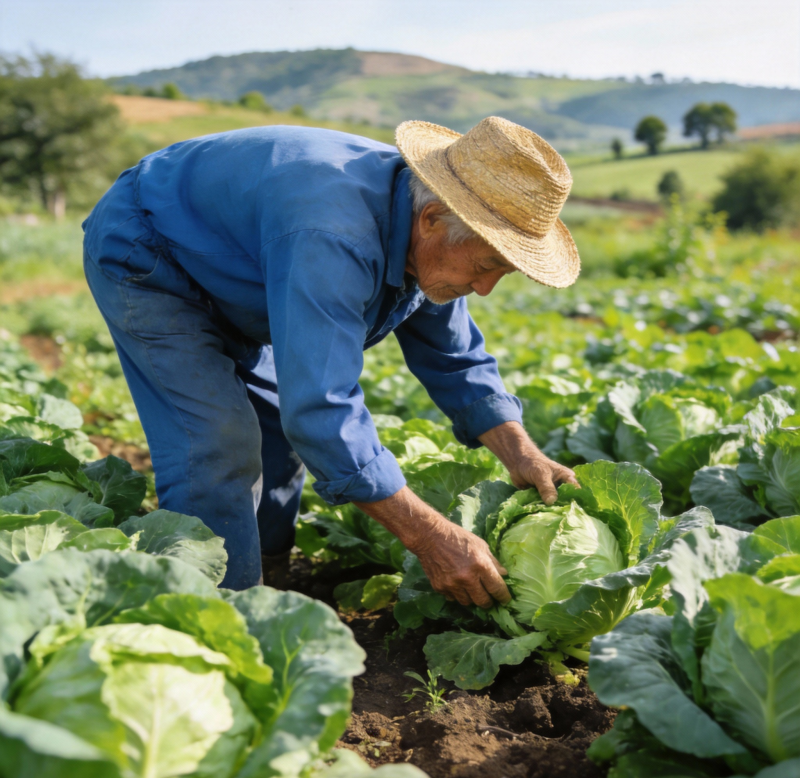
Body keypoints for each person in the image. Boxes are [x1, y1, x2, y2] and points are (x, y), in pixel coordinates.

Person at [82, 115, 581, 603]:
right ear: (431, 220)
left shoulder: (430, 232)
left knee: (277, 426)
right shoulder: (336, 233)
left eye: (503, 272)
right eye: (487, 265)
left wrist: (521, 452)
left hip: (242, 260)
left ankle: (268, 575)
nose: (485, 288)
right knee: (218, 440)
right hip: (151, 251)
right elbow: (321, 410)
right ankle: (211, 610)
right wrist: (430, 537)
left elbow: (456, 358)